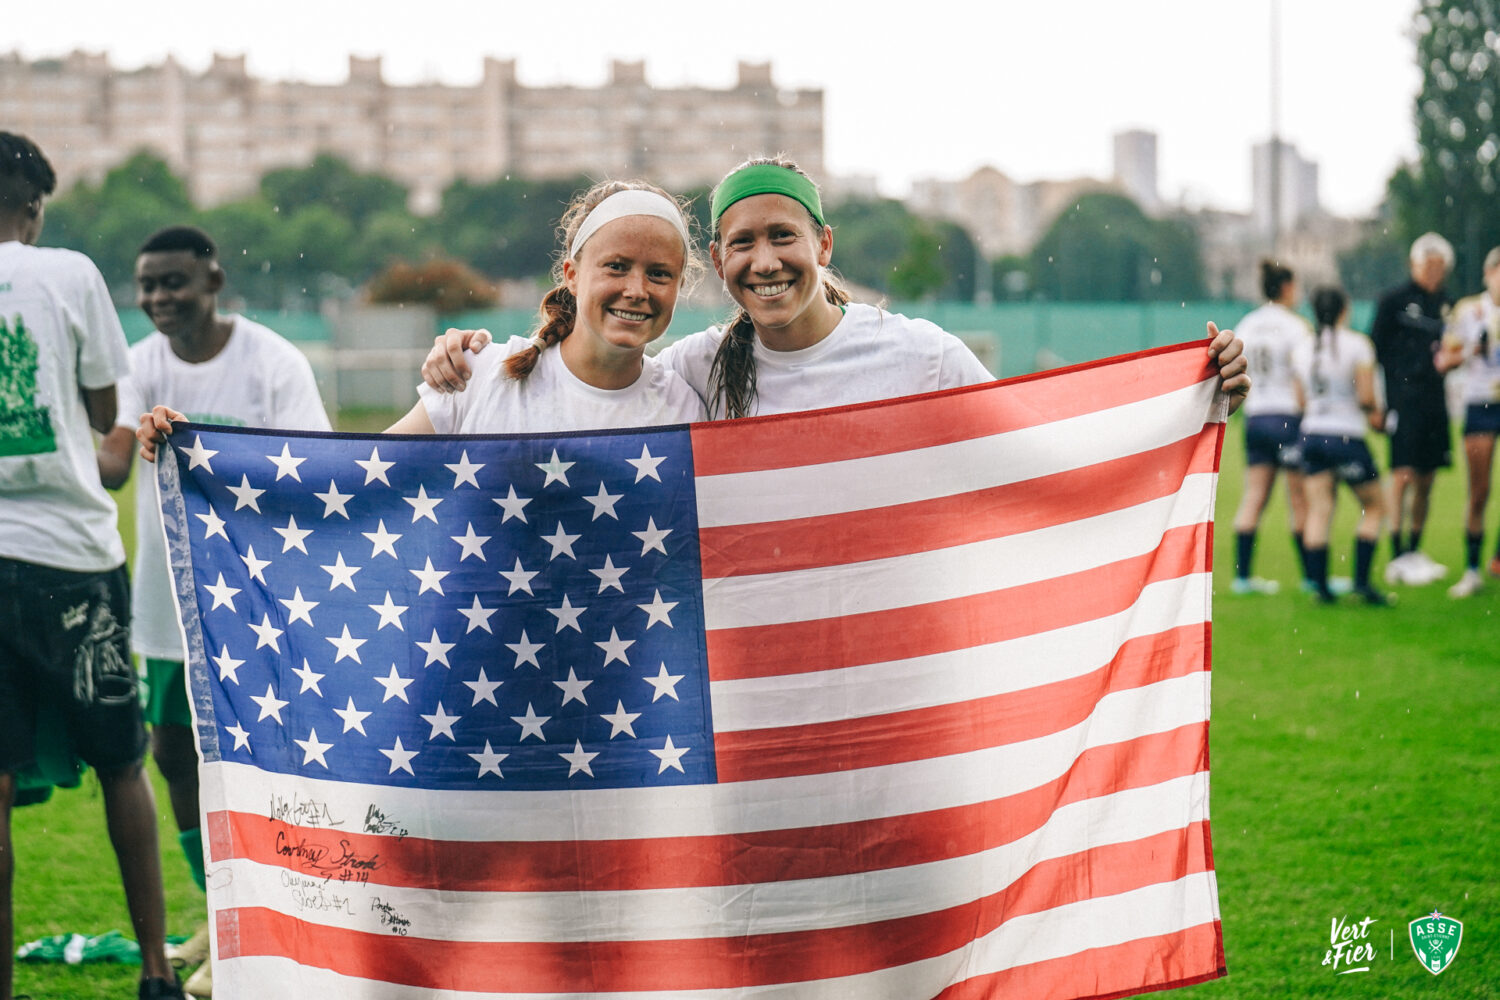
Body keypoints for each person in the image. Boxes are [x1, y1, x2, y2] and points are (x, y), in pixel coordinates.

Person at [419, 156, 1251, 421]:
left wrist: (1189, 398)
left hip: (900, 673)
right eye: (741, 243)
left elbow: (1035, 446)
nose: (765, 261)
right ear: (721, 257)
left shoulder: (920, 356)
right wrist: (463, 359)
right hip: (745, 689)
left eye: (783, 237)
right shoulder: (696, 374)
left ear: (823, 243)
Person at [97, 224, 332, 997]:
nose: (159, 298)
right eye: (147, 286)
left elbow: (316, 469)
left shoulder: (273, 362)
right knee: (171, 756)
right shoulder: (140, 364)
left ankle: (273, 915)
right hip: (167, 609)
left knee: (264, 757)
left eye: (174, 282)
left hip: (261, 605)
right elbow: (115, 462)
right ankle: (217, 910)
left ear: (214, 279)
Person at [0, 132, 185, 1000]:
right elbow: (108, 424)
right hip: (72, 560)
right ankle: (154, 973)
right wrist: (103, 456)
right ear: (35, 209)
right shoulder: (66, 272)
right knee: (122, 764)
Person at [138, 179, 705, 456]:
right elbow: (352, 478)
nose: (637, 289)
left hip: (626, 680)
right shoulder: (480, 374)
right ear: (572, 274)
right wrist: (198, 451)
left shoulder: (684, 405)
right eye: (617, 266)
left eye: (659, 274)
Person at [1292, 286, 1391, 605]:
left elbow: (1300, 401)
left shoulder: (1302, 348)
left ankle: (1320, 588)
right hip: (1346, 436)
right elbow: (1365, 397)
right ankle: (1361, 583)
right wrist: (1377, 412)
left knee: (1320, 511)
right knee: (1375, 507)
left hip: (1312, 434)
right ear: (1343, 309)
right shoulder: (1357, 344)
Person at [1371, 232, 1455, 586]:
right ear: (1414, 264)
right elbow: (1372, 353)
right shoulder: (1393, 301)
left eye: (1440, 266)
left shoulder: (1449, 306)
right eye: (1428, 265)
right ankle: (1397, 552)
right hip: (1402, 401)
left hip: (1435, 403)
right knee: (1402, 474)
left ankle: (1415, 549)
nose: (1433, 272)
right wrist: (1377, 403)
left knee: (1426, 478)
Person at [1229, 260, 1311, 595]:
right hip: (1287, 418)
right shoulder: (1296, 327)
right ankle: (1311, 578)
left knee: (1254, 497)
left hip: (1256, 417)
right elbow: (1301, 378)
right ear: (1288, 287)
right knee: (1299, 499)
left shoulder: (1247, 323)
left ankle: (1242, 577)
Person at [1436, 245, 1500, 598]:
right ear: (1488, 274)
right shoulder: (1468, 311)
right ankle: (1472, 568)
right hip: (1480, 403)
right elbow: (1445, 360)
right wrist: (1471, 349)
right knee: (1480, 491)